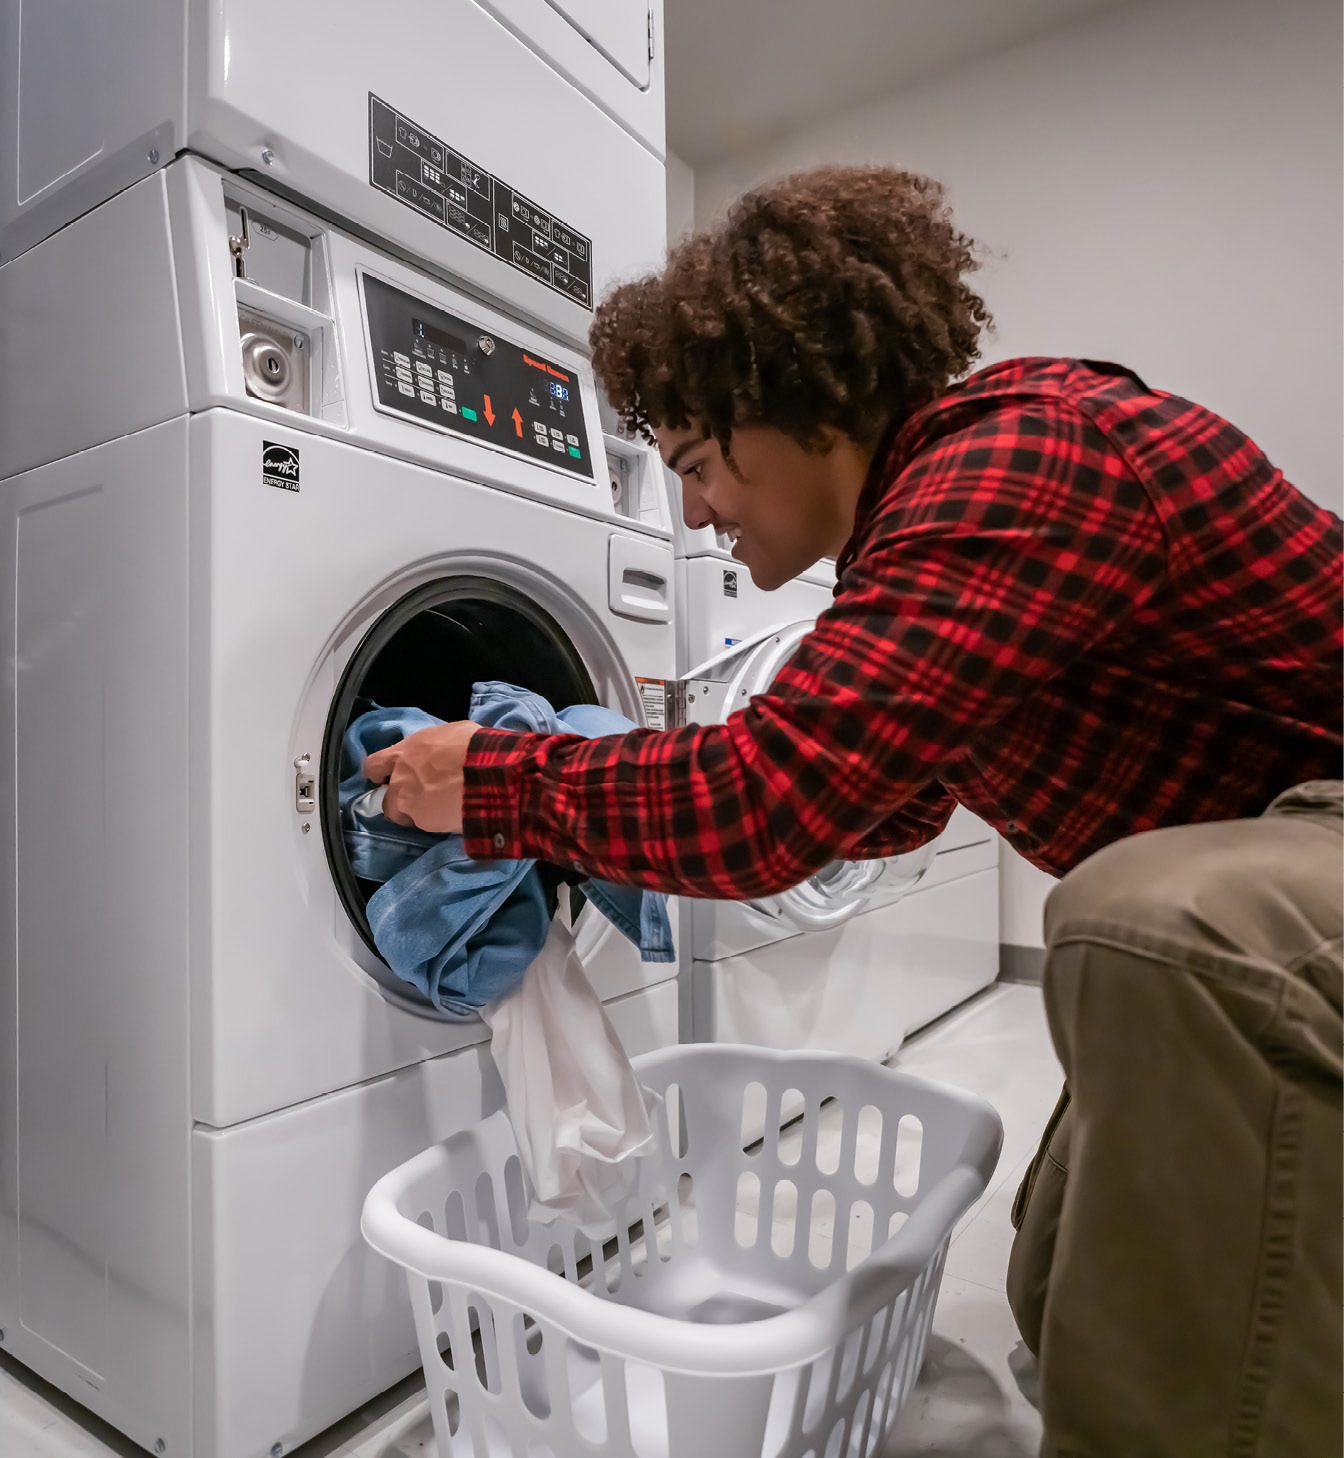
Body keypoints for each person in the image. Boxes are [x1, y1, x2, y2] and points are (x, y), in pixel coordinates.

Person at [364, 166, 1343, 1456]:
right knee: (1065, 1301)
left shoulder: (1020, 455)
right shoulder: (909, 550)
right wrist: (650, 775)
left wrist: (492, 783)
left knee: (1142, 920)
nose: (696, 515)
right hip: (1285, 855)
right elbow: (864, 810)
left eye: (700, 462)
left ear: (804, 405)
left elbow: (766, 810)